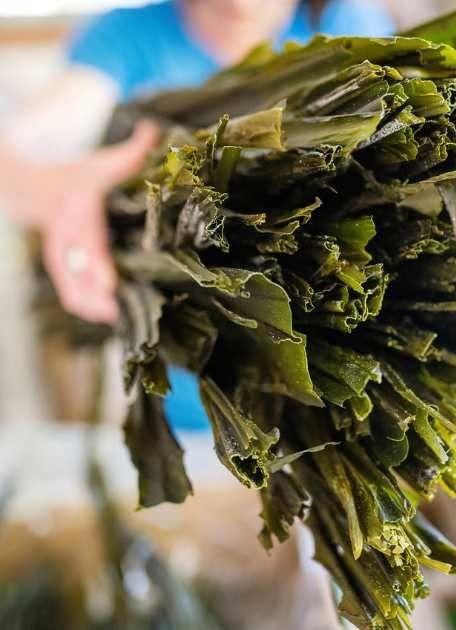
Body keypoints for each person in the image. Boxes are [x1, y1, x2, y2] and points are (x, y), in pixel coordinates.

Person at [0, 0, 403, 428]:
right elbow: (18, 157)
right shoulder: (127, 38)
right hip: (198, 394)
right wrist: (62, 195)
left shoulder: (348, 25)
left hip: (336, 401)